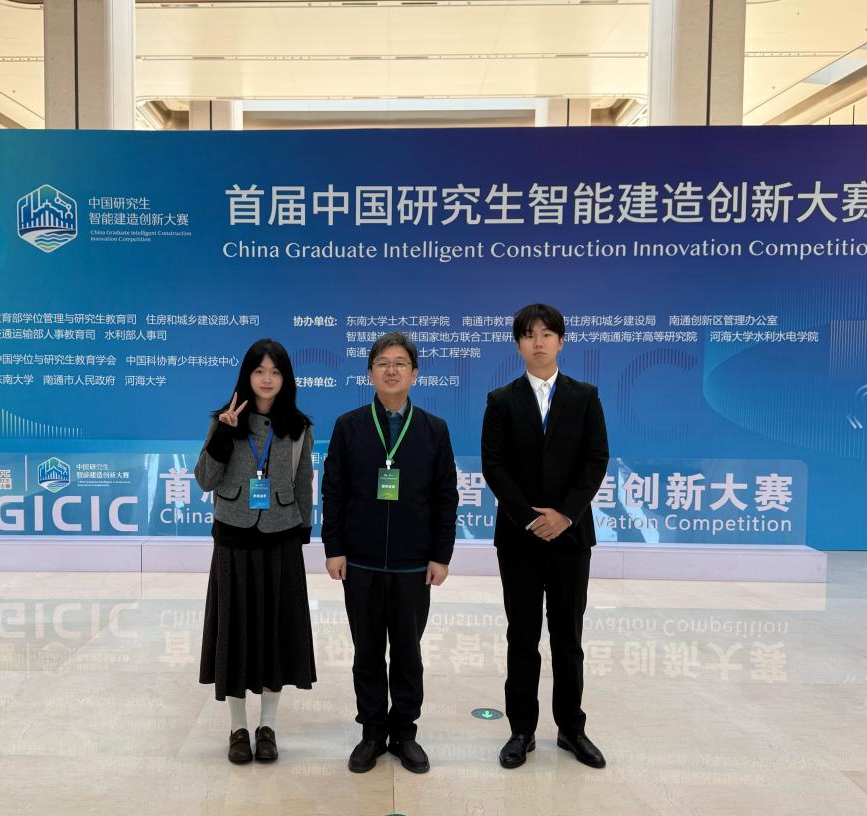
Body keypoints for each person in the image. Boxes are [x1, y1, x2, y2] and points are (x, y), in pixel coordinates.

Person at [321, 331, 458, 774]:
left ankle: (404, 732)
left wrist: (440, 555)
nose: (392, 370)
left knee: (407, 652)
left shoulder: (434, 430)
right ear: (370, 374)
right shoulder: (349, 426)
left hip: (413, 563)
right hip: (359, 560)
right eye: (383, 363)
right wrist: (334, 547)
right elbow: (333, 491)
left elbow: (445, 496)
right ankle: (371, 732)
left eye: (400, 363)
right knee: (366, 651)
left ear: (415, 374)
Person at [481, 303, 610, 770]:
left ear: (561, 341)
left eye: (547, 334)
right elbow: (493, 465)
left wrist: (566, 516)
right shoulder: (501, 400)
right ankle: (522, 730)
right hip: (519, 539)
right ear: (518, 344)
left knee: (567, 636)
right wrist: (529, 518)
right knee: (522, 635)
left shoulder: (585, 396)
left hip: (571, 539)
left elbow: (596, 459)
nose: (538, 342)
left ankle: (571, 728)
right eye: (529, 334)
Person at [194, 339, 316, 765]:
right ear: (247, 375)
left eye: (275, 371)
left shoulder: (298, 427)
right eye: (259, 370)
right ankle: (237, 728)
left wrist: (303, 532)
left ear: (286, 379)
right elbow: (205, 480)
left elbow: (304, 483)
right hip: (234, 539)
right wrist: (225, 436)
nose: (267, 379)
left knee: (275, 634)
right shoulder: (224, 421)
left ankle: (268, 727)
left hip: (281, 539)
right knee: (236, 632)